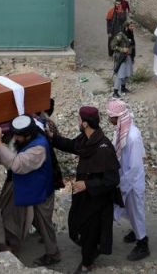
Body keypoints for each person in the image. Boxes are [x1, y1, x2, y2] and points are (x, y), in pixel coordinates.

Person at [47, 107, 122, 273]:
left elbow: (112, 180)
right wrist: (53, 138)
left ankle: (87, 263)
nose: (77, 122)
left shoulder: (103, 148)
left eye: (79, 119)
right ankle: (92, 250)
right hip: (84, 195)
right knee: (75, 226)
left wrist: (87, 184)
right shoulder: (86, 139)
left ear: (85, 123)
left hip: (97, 199)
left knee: (89, 231)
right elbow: (73, 145)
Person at [0, 116, 60, 267]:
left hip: (40, 191)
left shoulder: (39, 147)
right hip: (27, 188)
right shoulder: (29, 137)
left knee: (43, 223)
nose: (15, 138)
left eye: (18, 135)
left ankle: (53, 253)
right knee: (13, 215)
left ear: (28, 135)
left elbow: (16, 164)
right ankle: (12, 243)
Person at [106, 99, 150, 261]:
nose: (108, 119)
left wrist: (123, 185)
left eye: (110, 116)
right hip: (123, 177)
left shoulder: (132, 137)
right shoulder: (121, 130)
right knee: (128, 210)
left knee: (136, 210)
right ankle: (136, 231)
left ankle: (143, 243)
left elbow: (135, 167)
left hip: (131, 180)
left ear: (118, 117)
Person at [111, 21, 135, 97]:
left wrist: (132, 56)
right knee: (120, 74)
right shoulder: (120, 35)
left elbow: (132, 46)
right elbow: (112, 45)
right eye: (131, 26)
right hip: (120, 57)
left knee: (127, 72)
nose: (132, 28)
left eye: (133, 26)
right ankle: (115, 92)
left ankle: (123, 87)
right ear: (126, 27)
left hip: (127, 56)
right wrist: (122, 49)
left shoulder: (130, 34)